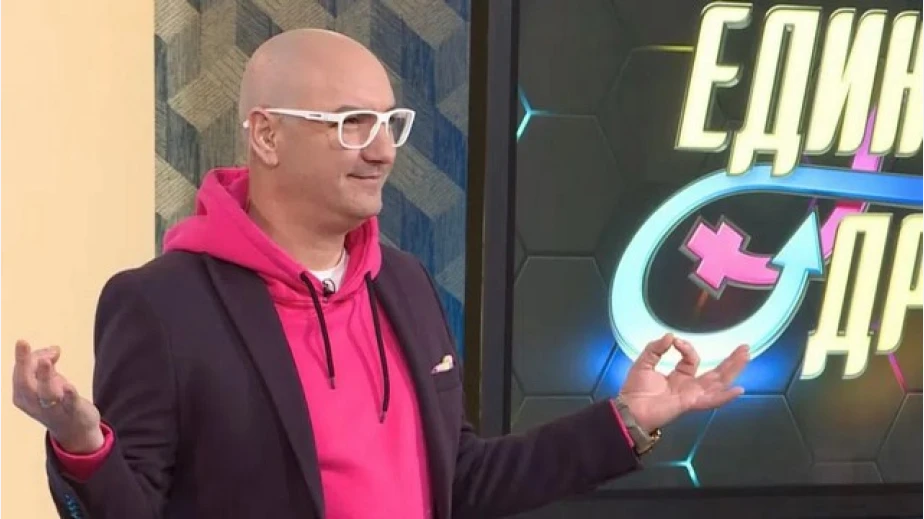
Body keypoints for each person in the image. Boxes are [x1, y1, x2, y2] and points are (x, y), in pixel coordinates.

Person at [11, 29, 750, 519]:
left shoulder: (403, 283)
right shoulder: (162, 304)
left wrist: (626, 421)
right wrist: (83, 441)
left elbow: (460, 478)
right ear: (266, 135)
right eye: (350, 124)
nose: (384, 150)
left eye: (390, 123)